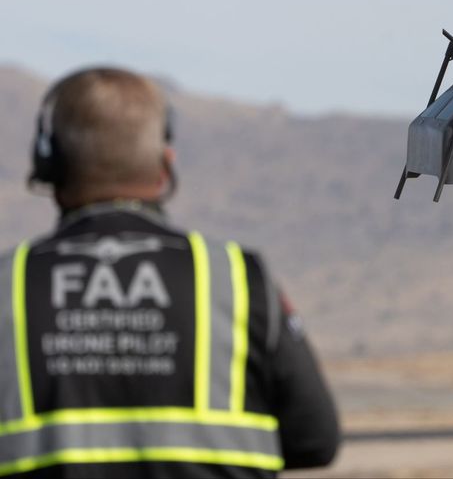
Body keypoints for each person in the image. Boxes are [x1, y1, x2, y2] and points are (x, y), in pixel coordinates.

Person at [0, 67, 340, 477]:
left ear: (49, 161)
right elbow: (315, 440)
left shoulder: (8, 284)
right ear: (166, 162)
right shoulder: (237, 278)